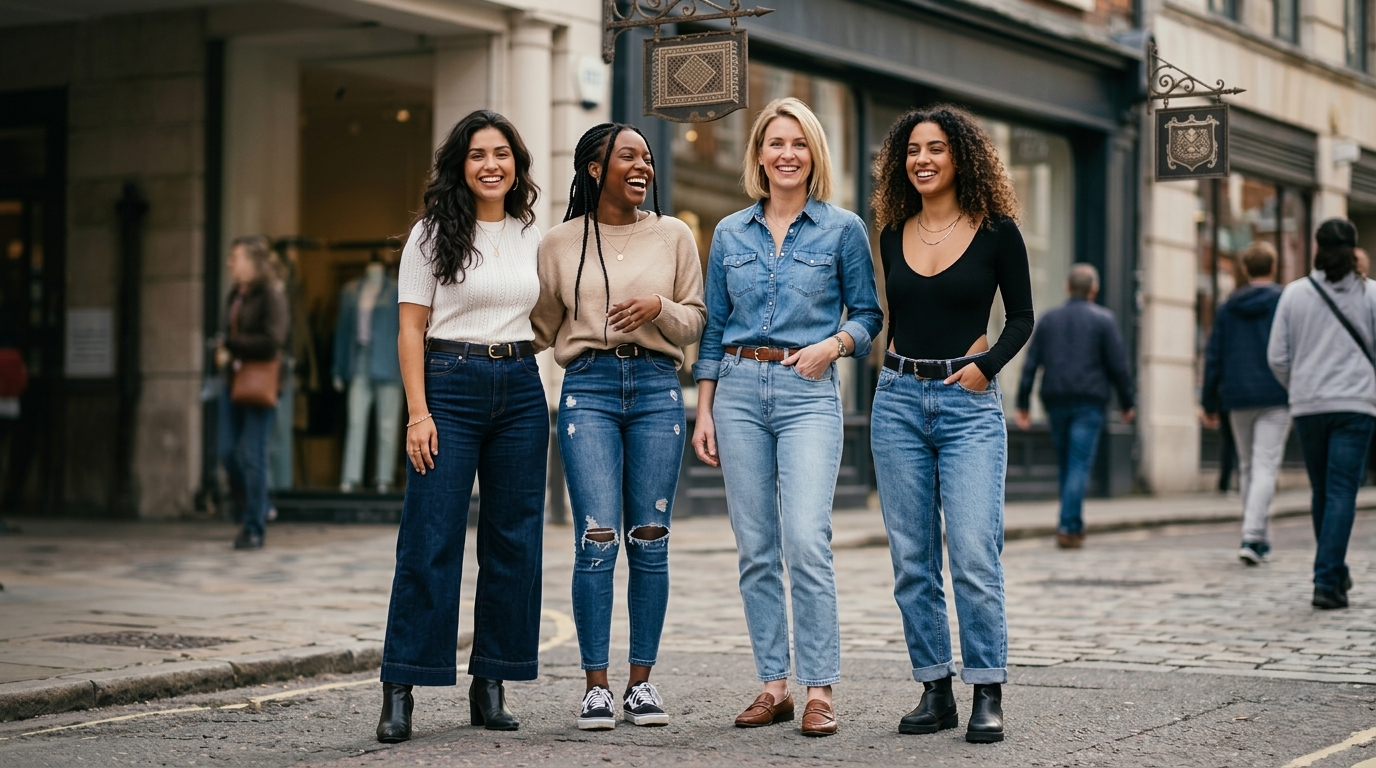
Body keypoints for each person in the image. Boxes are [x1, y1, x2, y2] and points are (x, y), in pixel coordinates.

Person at [690, 97, 882, 737]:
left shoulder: (842, 229)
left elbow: (868, 315)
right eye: (775, 142)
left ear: (814, 153)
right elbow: (714, 328)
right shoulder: (729, 233)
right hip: (739, 392)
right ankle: (773, 685)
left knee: (805, 538)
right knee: (755, 546)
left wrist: (833, 346)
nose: (787, 153)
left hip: (808, 393)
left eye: (799, 143)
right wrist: (705, 409)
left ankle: (819, 687)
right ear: (759, 155)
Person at [375, 110, 547, 743]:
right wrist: (418, 413)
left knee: (514, 540)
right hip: (448, 384)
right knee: (430, 536)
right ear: (460, 165)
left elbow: (547, 310)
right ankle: (402, 687)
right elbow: (410, 330)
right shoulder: (429, 235)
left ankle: (492, 682)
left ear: (517, 165)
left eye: (501, 154)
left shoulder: (533, 232)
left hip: (523, 390)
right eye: (478, 155)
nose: (491, 165)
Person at [868, 104, 1034, 744]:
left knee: (972, 551)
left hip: (968, 405)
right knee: (912, 559)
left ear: (960, 156)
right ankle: (935, 688)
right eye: (913, 150)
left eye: (935, 148)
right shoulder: (892, 230)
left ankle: (986, 689)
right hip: (898, 401)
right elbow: (885, 317)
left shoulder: (998, 232)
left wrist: (985, 367)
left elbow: (1021, 317)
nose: (923, 160)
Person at [532, 122, 705, 731]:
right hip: (590, 390)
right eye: (628, 156)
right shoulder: (558, 243)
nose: (643, 167)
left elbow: (695, 322)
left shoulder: (675, 234)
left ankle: (641, 684)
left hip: (659, 390)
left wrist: (659, 308)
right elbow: (540, 323)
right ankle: (596, 687)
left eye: (648, 158)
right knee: (597, 537)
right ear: (594, 169)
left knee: (650, 539)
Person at [1268, 218, 1375, 610]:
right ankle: (1328, 578)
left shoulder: (1294, 294)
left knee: (1323, 491)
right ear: (1354, 249)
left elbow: (1277, 357)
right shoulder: (1371, 295)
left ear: (1316, 248)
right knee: (1342, 491)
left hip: (1309, 406)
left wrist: (1299, 387)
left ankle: (1331, 571)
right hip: (1355, 407)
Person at [1014, 263, 1134, 549]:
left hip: (1055, 399)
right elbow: (1119, 366)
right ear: (1094, 289)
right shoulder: (1104, 320)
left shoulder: (1048, 319)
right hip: (1089, 402)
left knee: (1068, 463)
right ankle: (1068, 526)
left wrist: (1022, 403)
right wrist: (1127, 403)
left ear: (1068, 287)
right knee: (1078, 464)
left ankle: (1073, 523)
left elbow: (1031, 363)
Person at [1200, 242, 1289, 565]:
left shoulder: (1227, 307)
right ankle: (1252, 536)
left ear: (1245, 270)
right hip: (1276, 394)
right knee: (1265, 465)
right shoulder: (1284, 301)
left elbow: (1214, 356)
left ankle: (1260, 538)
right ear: (1273, 267)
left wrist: (1208, 401)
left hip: (1237, 395)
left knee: (1249, 466)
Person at [216, 235, 288, 551]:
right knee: (226, 451)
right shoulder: (235, 294)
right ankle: (257, 504)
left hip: (260, 382)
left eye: (237, 257)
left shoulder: (270, 294)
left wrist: (231, 345)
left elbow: (273, 341)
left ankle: (254, 526)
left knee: (253, 454)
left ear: (253, 262)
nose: (231, 263)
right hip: (232, 381)